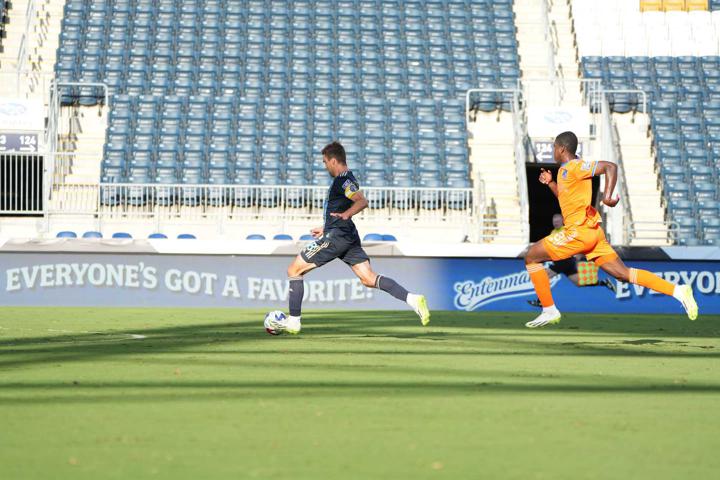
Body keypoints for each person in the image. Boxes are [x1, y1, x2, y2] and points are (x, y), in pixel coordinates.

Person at [524, 131, 698, 328]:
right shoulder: (565, 171)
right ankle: (678, 291)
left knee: (531, 256)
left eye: (554, 147)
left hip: (578, 232)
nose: (553, 151)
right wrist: (551, 183)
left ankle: (549, 309)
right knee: (623, 274)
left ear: (561, 148)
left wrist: (607, 196)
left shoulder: (575, 166)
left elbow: (610, 166)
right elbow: (565, 199)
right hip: (592, 233)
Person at [270, 141, 430, 334]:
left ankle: (294, 322)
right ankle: (413, 299)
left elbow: (361, 201)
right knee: (369, 279)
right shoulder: (346, 180)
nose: (325, 166)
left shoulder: (343, 180)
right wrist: (326, 226)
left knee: (294, 270)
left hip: (337, 236)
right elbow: (343, 207)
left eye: (325, 162)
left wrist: (345, 216)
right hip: (345, 234)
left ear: (334, 160)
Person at [526, 213, 616, 308]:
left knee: (543, 276)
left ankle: (541, 301)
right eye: (554, 221)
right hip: (564, 262)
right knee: (578, 283)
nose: (555, 223)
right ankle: (604, 282)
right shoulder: (553, 232)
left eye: (558, 221)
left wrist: (579, 253)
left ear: (562, 221)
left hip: (564, 260)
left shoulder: (566, 230)